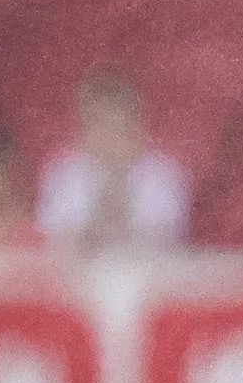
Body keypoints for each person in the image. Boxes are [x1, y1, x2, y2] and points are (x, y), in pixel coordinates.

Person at [37, 73, 188, 252]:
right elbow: (54, 241)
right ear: (83, 130)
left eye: (118, 125)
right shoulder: (62, 174)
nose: (109, 136)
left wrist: (121, 183)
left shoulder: (163, 174)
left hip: (147, 272)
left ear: (137, 128)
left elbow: (164, 240)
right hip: (79, 273)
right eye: (99, 125)